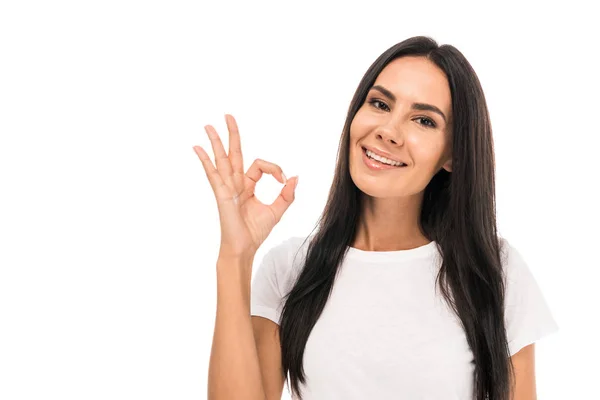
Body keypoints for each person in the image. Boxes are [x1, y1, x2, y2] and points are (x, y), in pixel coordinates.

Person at [196, 36, 559, 400]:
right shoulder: (291, 269)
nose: (388, 131)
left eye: (423, 120)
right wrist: (235, 256)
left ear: (454, 156)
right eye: (380, 103)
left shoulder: (495, 270)